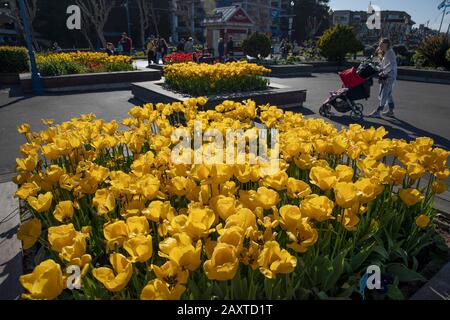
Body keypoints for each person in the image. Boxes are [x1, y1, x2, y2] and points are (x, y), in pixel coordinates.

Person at [368, 38, 398, 118]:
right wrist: (377, 65)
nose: (380, 46)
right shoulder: (385, 52)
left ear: (387, 45)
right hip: (386, 75)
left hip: (389, 76)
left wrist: (383, 69)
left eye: (382, 45)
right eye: (380, 44)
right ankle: (391, 111)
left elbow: (391, 64)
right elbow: (383, 63)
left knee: (384, 93)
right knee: (388, 93)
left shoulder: (390, 52)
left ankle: (378, 111)